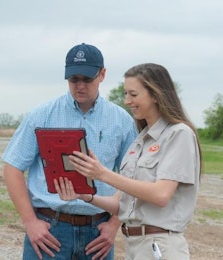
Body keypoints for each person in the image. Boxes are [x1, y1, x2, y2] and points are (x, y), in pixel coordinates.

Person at [1, 43, 137, 260]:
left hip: (97, 233)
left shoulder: (122, 121)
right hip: (50, 230)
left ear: (102, 75)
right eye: (74, 79)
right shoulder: (41, 115)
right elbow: (12, 167)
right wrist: (30, 222)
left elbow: (132, 176)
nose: (80, 86)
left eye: (87, 79)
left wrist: (113, 225)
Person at [55, 63, 202, 260]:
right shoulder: (140, 141)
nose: (127, 101)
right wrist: (85, 195)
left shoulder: (178, 134)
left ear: (156, 95)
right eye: (126, 94)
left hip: (161, 247)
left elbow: (161, 195)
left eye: (133, 95)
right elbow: (120, 204)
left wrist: (102, 174)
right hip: (135, 247)